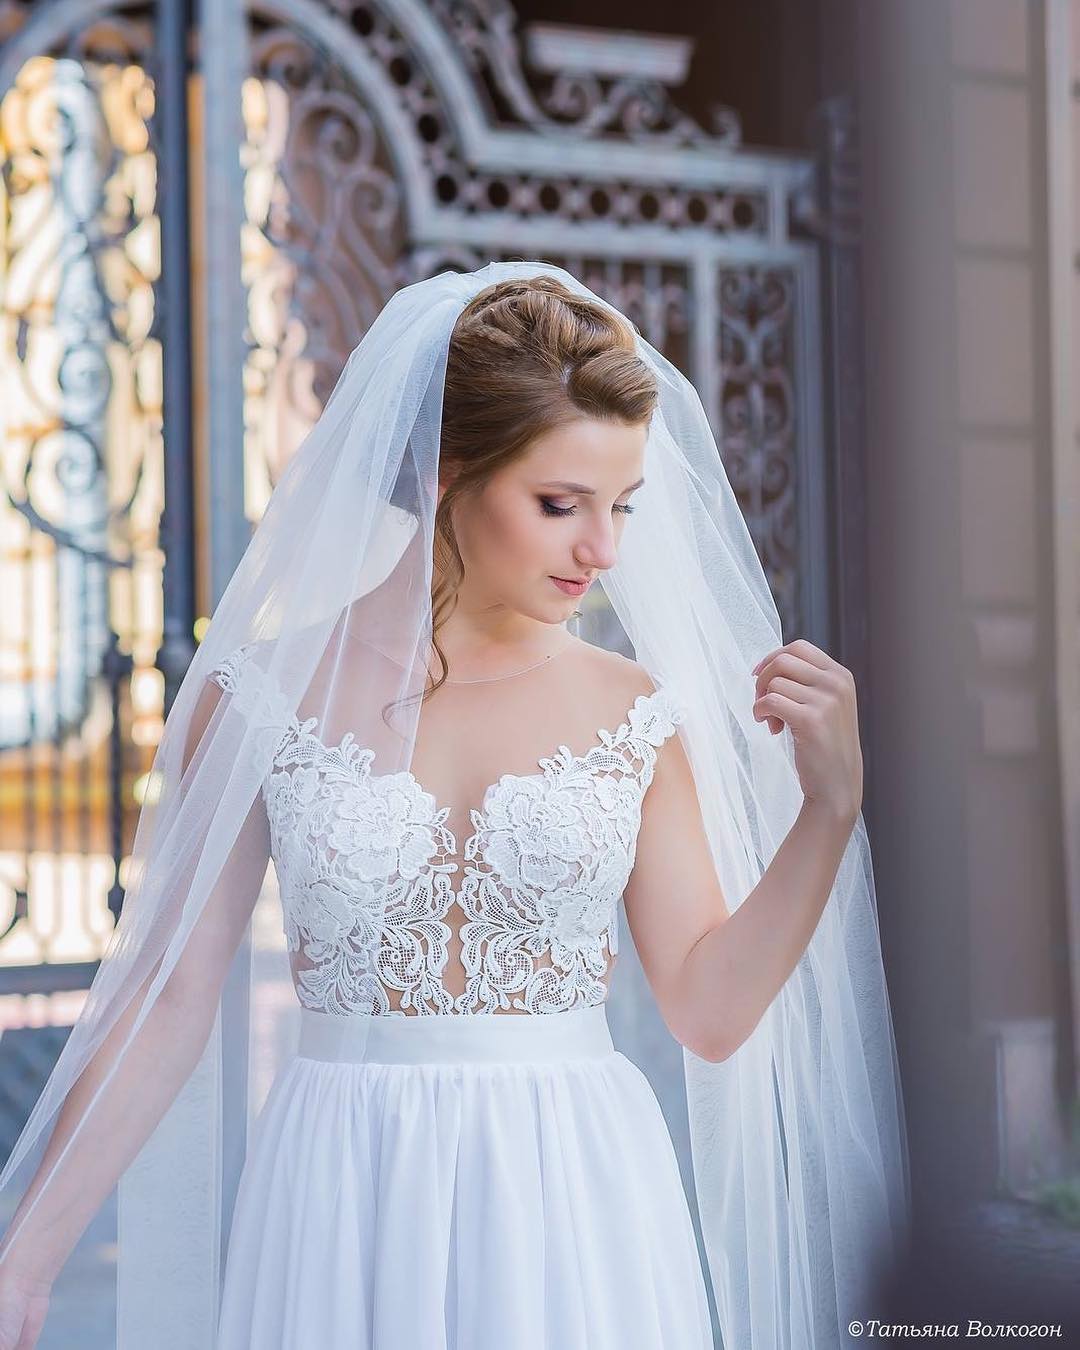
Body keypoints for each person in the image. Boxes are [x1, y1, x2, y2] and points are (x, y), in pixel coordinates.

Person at [0, 263, 910, 1349]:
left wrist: (831, 811)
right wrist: (25, 1261)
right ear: (446, 473)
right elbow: (168, 1000)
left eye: (621, 507)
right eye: (560, 504)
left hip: (573, 1192)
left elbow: (710, 1012)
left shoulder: (634, 711)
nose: (603, 550)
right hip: (342, 1186)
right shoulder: (261, 694)